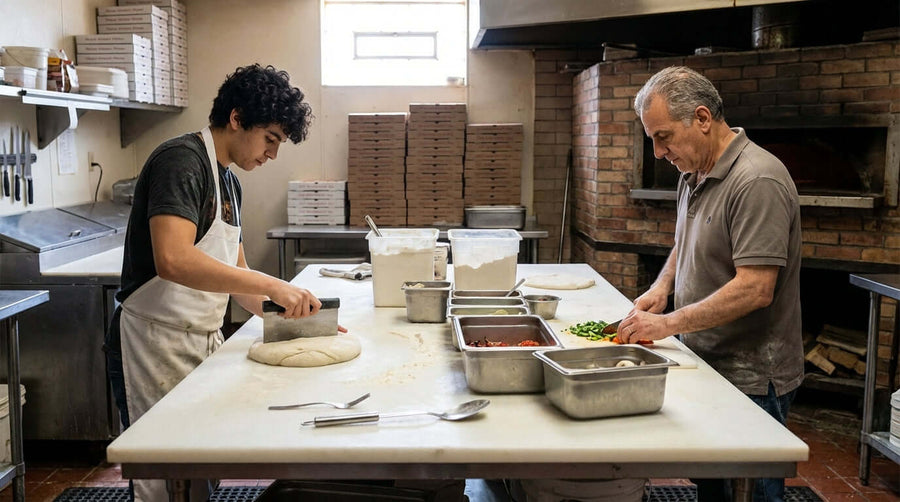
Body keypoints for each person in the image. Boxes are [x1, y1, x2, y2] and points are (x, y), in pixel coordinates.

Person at [104, 63, 330, 502]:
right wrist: (271, 283)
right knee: (163, 482)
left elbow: (235, 279)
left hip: (198, 341)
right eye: (271, 139)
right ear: (237, 117)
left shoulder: (228, 182)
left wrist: (293, 321)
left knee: (196, 478)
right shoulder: (181, 162)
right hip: (153, 343)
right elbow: (173, 259)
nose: (272, 155)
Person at [621, 66, 804, 502]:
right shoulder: (694, 173)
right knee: (713, 488)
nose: (658, 151)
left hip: (754, 377)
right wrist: (662, 288)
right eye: (652, 139)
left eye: (663, 136)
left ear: (702, 118)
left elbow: (756, 288)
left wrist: (666, 326)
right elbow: (685, 244)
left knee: (752, 493)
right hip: (708, 358)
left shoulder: (757, 179)